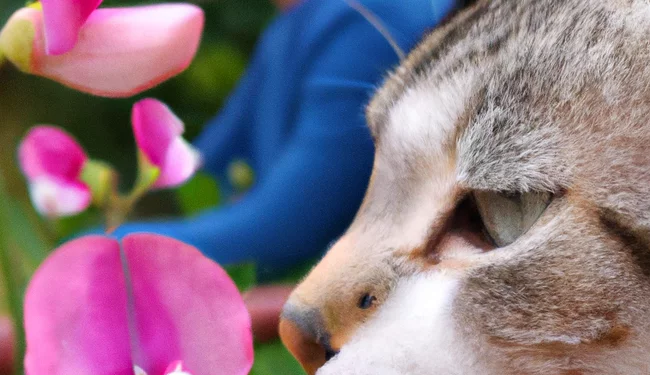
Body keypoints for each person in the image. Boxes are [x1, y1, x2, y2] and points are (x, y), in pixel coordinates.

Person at [114, 0, 457, 339]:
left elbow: (285, 227)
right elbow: (198, 166)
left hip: (388, 330)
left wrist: (106, 252)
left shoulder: (366, 19)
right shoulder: (297, 23)